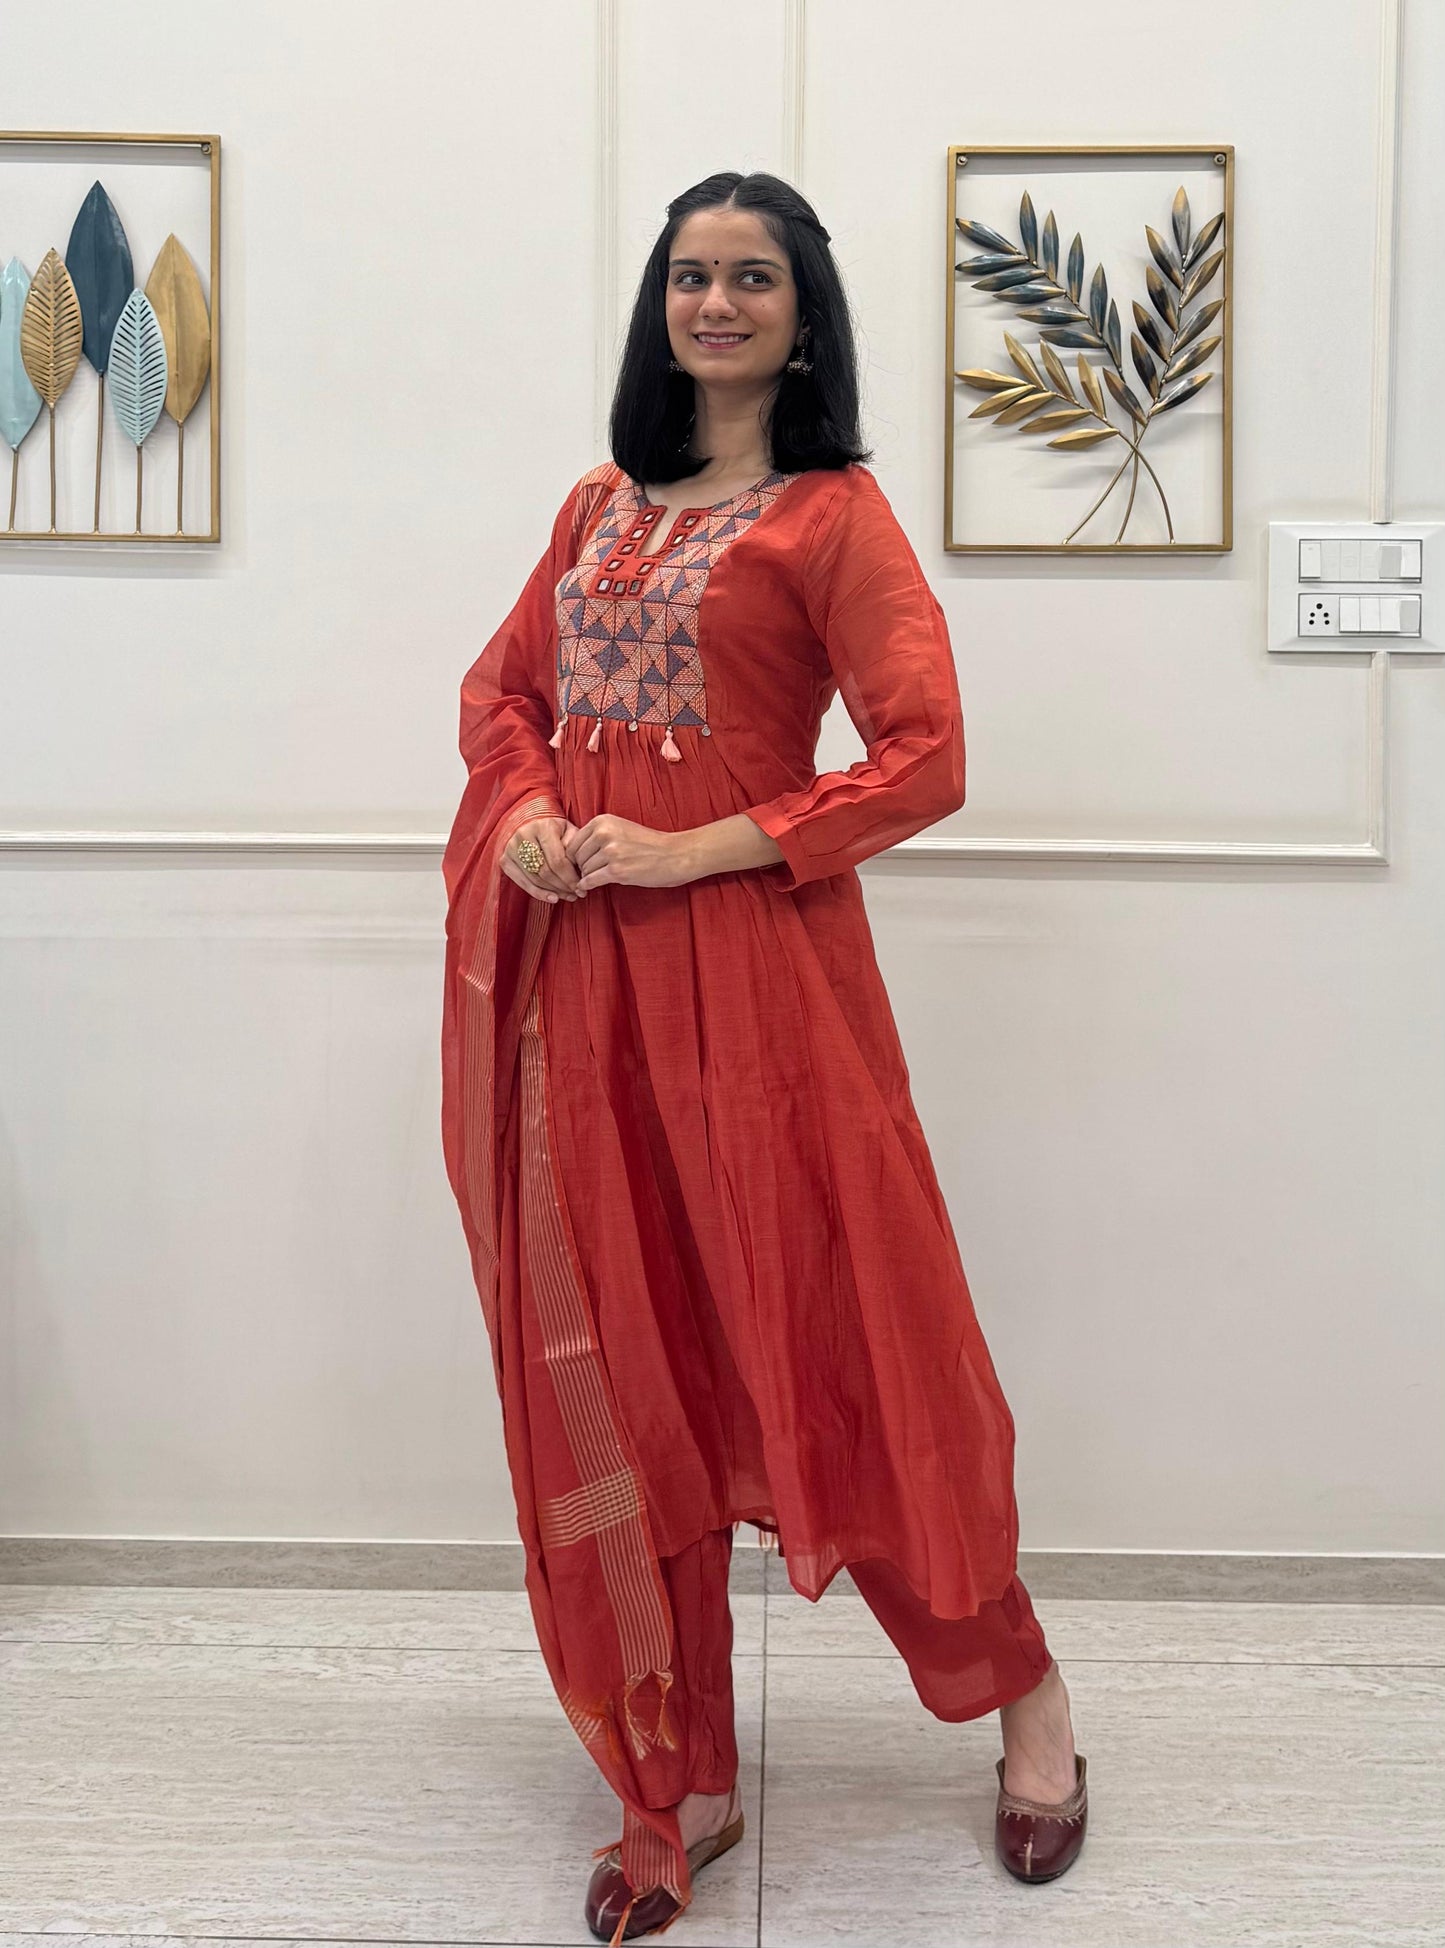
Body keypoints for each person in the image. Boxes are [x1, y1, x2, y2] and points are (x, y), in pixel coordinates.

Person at [440, 170, 1087, 1947]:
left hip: (765, 1003)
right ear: (660, 304)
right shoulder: (595, 507)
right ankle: (682, 1775)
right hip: (592, 1008)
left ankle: (1022, 1696)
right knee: (630, 1364)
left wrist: (691, 848)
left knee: (855, 1341)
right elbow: (500, 697)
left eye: (752, 278)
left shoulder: (833, 520)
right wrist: (525, 815)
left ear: (804, 314)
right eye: (690, 275)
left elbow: (924, 754)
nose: (715, 303)